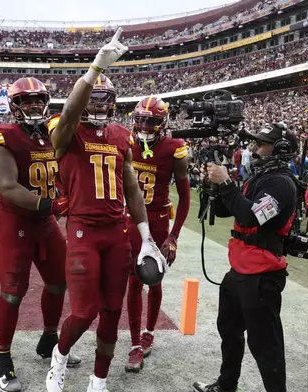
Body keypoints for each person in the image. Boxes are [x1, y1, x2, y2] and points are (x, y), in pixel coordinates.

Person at [45, 28, 166, 392]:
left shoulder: (119, 135)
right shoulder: (66, 131)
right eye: (91, 99)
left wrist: (147, 238)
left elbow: (131, 186)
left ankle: (99, 381)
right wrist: (96, 66)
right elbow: (68, 114)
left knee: (112, 310)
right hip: (83, 230)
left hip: (117, 233)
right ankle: (59, 356)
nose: (97, 107)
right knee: (85, 312)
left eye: (103, 100)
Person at [0, 77, 79, 392]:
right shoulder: (3, 136)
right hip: (16, 221)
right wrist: (52, 204)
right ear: (15, 106)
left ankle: (49, 338)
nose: (34, 106)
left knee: (58, 282)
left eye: (38, 100)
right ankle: (2, 358)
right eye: (27, 101)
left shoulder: (52, 134)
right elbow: (9, 188)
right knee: (13, 292)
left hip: (45, 221)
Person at [193, 123, 300, 392]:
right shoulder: (259, 178)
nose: (254, 148)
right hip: (240, 270)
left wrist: (227, 183)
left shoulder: (281, 183)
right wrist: (212, 186)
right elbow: (227, 208)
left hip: (262, 274)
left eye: (261, 143)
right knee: (229, 331)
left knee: (265, 344)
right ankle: (226, 385)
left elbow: (251, 215)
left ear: (280, 149)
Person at [124, 95, 191, 372]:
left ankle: (149, 331)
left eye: (150, 121)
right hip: (128, 220)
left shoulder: (174, 148)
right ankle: (134, 344)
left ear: (161, 123)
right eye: (139, 120)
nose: (144, 126)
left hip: (158, 220)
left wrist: (173, 236)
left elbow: (185, 199)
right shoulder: (125, 142)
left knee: (153, 279)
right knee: (133, 281)